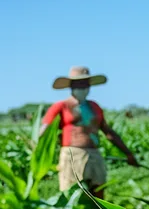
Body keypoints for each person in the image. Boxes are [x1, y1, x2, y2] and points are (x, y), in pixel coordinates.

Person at [42, 66, 138, 198]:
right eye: (79, 83)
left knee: (98, 192)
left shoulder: (94, 107)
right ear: (71, 85)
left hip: (94, 154)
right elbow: (44, 132)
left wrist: (128, 154)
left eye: (86, 83)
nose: (83, 87)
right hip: (72, 155)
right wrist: (43, 159)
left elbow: (108, 132)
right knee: (71, 195)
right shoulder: (61, 106)